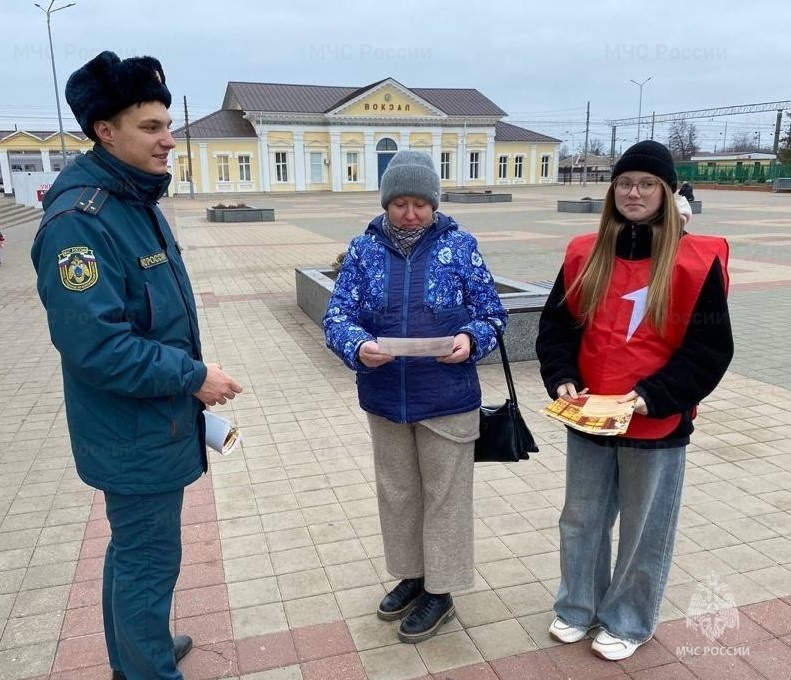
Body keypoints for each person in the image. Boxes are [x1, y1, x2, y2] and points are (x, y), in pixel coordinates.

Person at [31, 51, 242, 680]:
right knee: (147, 562)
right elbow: (96, 346)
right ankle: (147, 667)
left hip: (152, 425)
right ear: (105, 130)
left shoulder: (131, 198)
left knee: (132, 557)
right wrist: (194, 377)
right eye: (151, 127)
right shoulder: (82, 222)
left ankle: (134, 653)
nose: (168, 140)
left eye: (167, 125)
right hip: (133, 434)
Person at [536, 140, 733, 661]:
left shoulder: (695, 260)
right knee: (581, 518)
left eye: (648, 184)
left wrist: (652, 397)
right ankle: (578, 607)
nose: (634, 192)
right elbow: (557, 326)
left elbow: (710, 349)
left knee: (644, 530)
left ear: (667, 193)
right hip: (591, 417)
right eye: (625, 183)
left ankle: (628, 619)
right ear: (612, 191)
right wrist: (561, 378)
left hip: (655, 422)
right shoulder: (585, 252)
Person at [323, 150, 507, 644]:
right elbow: (337, 315)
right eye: (399, 203)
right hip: (386, 399)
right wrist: (357, 346)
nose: (409, 213)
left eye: (419, 204)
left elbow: (491, 311)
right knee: (399, 495)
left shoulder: (460, 246)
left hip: (447, 399)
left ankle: (442, 591)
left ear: (433, 204)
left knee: (444, 499)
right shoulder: (363, 250)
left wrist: (471, 339)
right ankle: (413, 576)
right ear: (386, 203)